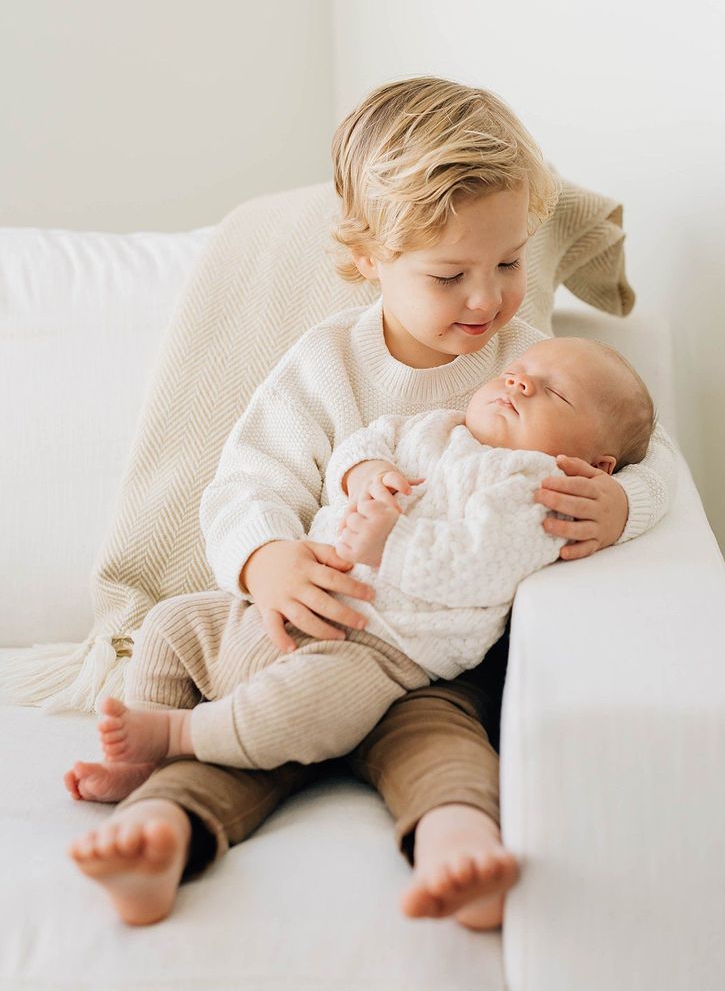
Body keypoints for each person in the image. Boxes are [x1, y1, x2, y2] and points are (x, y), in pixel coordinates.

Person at [64, 77, 676, 930]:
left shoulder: (535, 363)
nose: (485, 299)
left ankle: (459, 853)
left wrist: (621, 505)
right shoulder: (326, 365)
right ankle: (157, 830)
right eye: (450, 273)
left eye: (507, 264)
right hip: (308, 631)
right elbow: (249, 481)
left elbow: (655, 461)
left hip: (429, 666)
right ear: (367, 258)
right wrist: (265, 559)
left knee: (444, 749)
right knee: (239, 724)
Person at [80, 336, 655, 782]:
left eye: (552, 392)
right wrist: (366, 474)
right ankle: (134, 755)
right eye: (518, 372)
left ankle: (179, 736)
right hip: (284, 601)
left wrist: (390, 545)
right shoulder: (435, 427)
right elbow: (363, 443)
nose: (519, 383)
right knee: (170, 623)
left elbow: (480, 566)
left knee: (304, 709)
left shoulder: (541, 488)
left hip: (375, 646)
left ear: (597, 465)